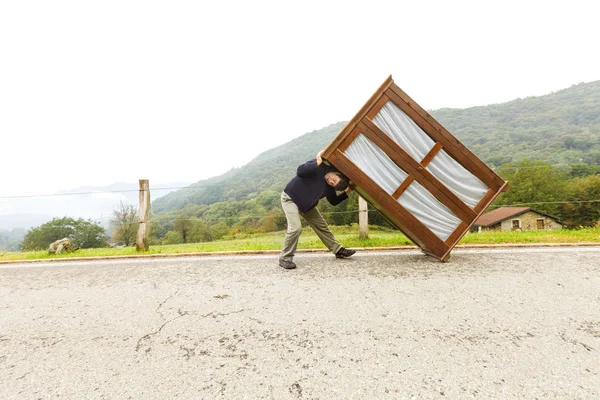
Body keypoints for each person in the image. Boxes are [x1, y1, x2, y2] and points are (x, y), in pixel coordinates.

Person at [279, 151, 356, 269]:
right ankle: (285, 258)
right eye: (333, 180)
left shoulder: (329, 186)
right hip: (291, 198)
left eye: (333, 184)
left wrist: (347, 192)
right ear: (336, 173)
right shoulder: (320, 166)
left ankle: (338, 250)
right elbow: (300, 171)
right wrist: (317, 162)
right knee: (296, 228)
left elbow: (333, 201)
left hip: (306, 205)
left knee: (322, 226)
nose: (331, 182)